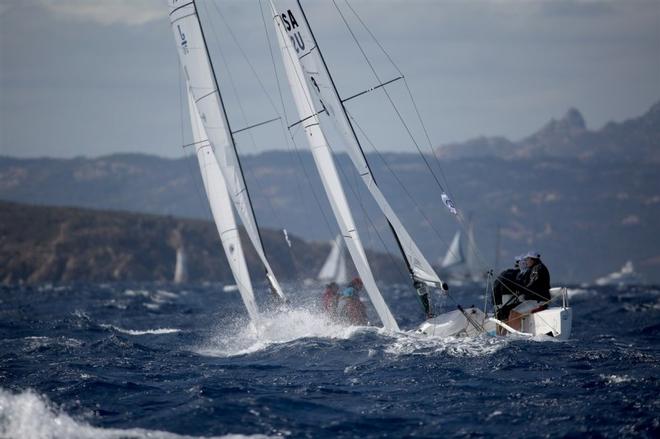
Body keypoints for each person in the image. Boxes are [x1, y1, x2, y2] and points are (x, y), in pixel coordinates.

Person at [507, 251, 551, 331]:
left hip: (539, 301)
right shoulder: (536, 267)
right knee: (512, 312)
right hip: (535, 299)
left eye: (527, 259)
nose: (526, 261)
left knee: (514, 312)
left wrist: (522, 289)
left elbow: (533, 284)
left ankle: (513, 334)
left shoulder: (537, 268)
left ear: (532, 260)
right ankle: (514, 332)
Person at [493, 256, 523, 324]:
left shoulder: (505, 273)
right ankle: (505, 331)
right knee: (506, 314)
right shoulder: (519, 274)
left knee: (502, 314)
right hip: (508, 294)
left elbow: (496, 285)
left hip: (498, 297)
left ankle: (500, 333)